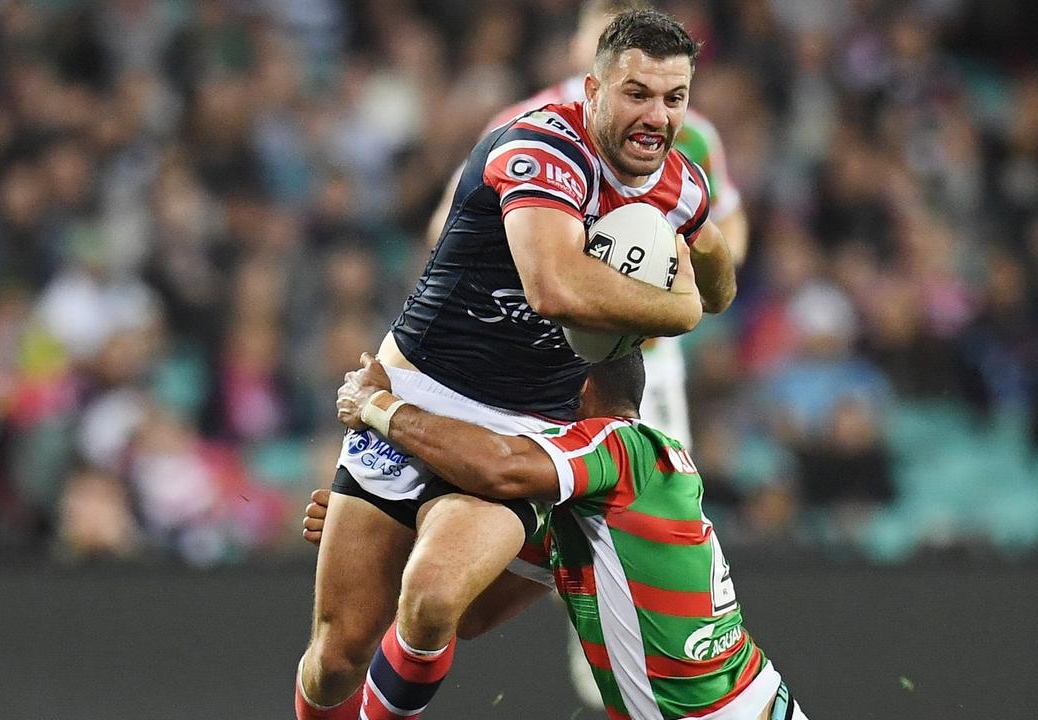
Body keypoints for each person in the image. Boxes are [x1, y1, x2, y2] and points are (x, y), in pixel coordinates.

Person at [295, 10, 738, 720]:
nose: (657, 116)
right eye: (637, 94)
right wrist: (680, 309)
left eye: (674, 98)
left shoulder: (678, 183)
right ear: (593, 89)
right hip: (416, 394)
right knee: (336, 658)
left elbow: (718, 280)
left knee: (436, 600)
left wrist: (702, 254)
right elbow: (554, 288)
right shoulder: (539, 146)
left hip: (528, 428)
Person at [302, 350, 808, 720]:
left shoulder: (623, 445)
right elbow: (473, 613)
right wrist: (379, 530)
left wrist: (381, 407)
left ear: (579, 390)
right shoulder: (596, 526)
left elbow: (497, 467)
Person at [425, 0, 751, 448]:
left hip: (642, 362)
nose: (655, 110)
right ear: (585, 54)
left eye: (670, 95)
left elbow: (723, 224)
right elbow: (447, 226)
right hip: (529, 351)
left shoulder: (690, 138)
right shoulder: (525, 127)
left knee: (647, 501)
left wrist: (675, 271)